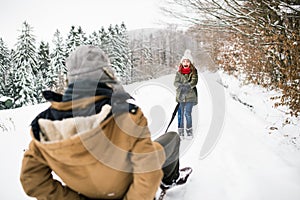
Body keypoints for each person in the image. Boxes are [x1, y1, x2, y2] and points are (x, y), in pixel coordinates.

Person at [20, 45, 191, 200]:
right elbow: (148, 168)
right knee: (172, 138)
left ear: (70, 79)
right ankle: (169, 180)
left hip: (88, 192)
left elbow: (32, 180)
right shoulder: (126, 115)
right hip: (131, 191)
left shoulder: (45, 128)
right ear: (107, 74)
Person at [174, 49, 198, 139]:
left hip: (190, 97)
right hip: (180, 97)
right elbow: (175, 83)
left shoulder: (194, 72)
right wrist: (181, 86)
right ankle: (180, 132)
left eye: (187, 61)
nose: (185, 63)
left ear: (190, 63)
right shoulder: (179, 72)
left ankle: (189, 132)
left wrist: (187, 86)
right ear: (182, 63)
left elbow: (194, 82)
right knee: (180, 114)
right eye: (184, 61)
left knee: (187, 113)